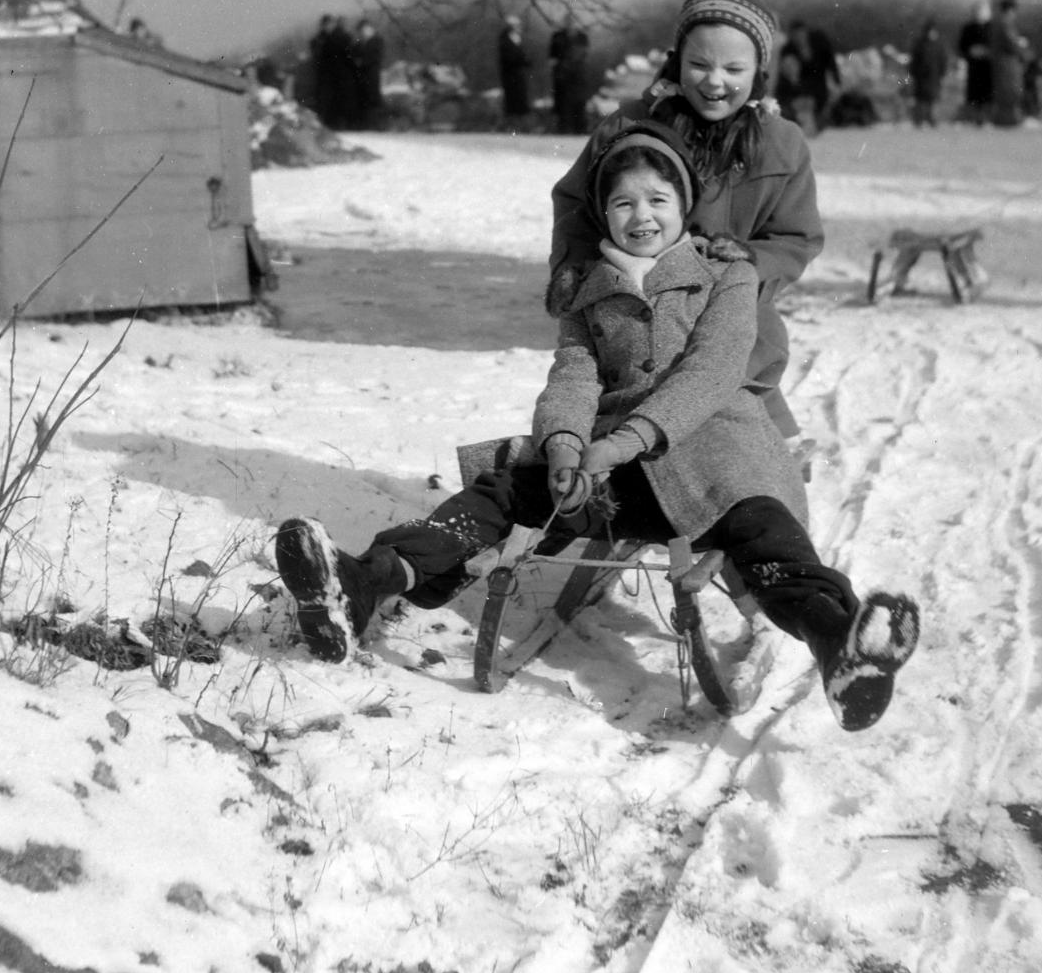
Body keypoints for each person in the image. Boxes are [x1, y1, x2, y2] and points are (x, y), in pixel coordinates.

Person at [273, 121, 921, 731]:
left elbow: (712, 372)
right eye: (623, 205)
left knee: (768, 536)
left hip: (721, 458)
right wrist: (563, 446)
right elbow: (574, 378)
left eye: (657, 199)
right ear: (604, 216)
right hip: (616, 480)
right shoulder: (587, 292)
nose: (642, 217)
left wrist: (619, 442)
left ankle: (838, 642)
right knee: (502, 493)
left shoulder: (726, 275)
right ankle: (364, 583)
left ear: (684, 205)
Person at [547, 0, 822, 439]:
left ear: (760, 72)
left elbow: (796, 237)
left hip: (735, 332)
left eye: (734, 68)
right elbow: (576, 204)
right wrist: (575, 267)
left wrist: (747, 265)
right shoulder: (629, 125)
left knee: (736, 447)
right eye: (699, 65)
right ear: (676, 63)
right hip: (632, 324)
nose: (714, 81)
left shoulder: (782, 143)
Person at [777, 18, 841, 132]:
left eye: (801, 34)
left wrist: (836, 80)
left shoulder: (819, 42)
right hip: (800, 86)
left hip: (819, 83)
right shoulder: (788, 50)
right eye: (795, 35)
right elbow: (786, 72)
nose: (799, 38)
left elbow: (830, 61)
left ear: (806, 32)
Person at [988, 0, 1030, 128]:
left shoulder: (1000, 24)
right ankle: (1009, 119)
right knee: (1010, 91)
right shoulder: (1005, 24)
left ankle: (1007, 118)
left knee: (1006, 91)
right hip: (1008, 65)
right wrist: (1025, 52)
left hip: (1004, 63)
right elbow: (1012, 44)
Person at [549, 15, 591, 135]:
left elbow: (584, 55)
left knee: (579, 102)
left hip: (578, 75)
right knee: (563, 103)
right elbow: (552, 58)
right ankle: (564, 129)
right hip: (563, 75)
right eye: (568, 22)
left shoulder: (582, 37)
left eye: (573, 22)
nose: (571, 24)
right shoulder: (557, 36)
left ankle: (580, 129)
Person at [907, 17, 949, 128]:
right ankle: (918, 121)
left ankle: (932, 120)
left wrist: (943, 74)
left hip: (934, 77)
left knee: (933, 100)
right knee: (920, 100)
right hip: (920, 77)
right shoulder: (919, 44)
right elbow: (914, 60)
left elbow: (943, 61)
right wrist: (912, 73)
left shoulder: (939, 45)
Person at [956, 2, 993, 124]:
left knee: (987, 94)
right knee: (975, 94)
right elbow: (962, 47)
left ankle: (986, 118)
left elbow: (996, 47)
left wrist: (986, 52)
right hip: (974, 67)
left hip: (988, 67)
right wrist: (970, 52)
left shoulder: (991, 28)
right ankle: (976, 118)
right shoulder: (968, 28)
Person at [349, 19, 385, 130]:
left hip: (372, 75)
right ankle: (366, 124)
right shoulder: (359, 43)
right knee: (364, 100)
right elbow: (353, 55)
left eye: (364, 29)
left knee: (373, 99)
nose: (362, 32)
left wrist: (363, 62)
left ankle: (376, 124)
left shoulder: (377, 41)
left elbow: (376, 57)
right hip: (362, 77)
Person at [496, 14, 531, 123]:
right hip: (510, 74)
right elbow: (509, 58)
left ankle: (519, 121)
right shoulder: (505, 40)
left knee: (520, 98)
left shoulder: (517, 38)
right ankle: (512, 122)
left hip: (519, 74)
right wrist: (522, 61)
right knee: (512, 99)